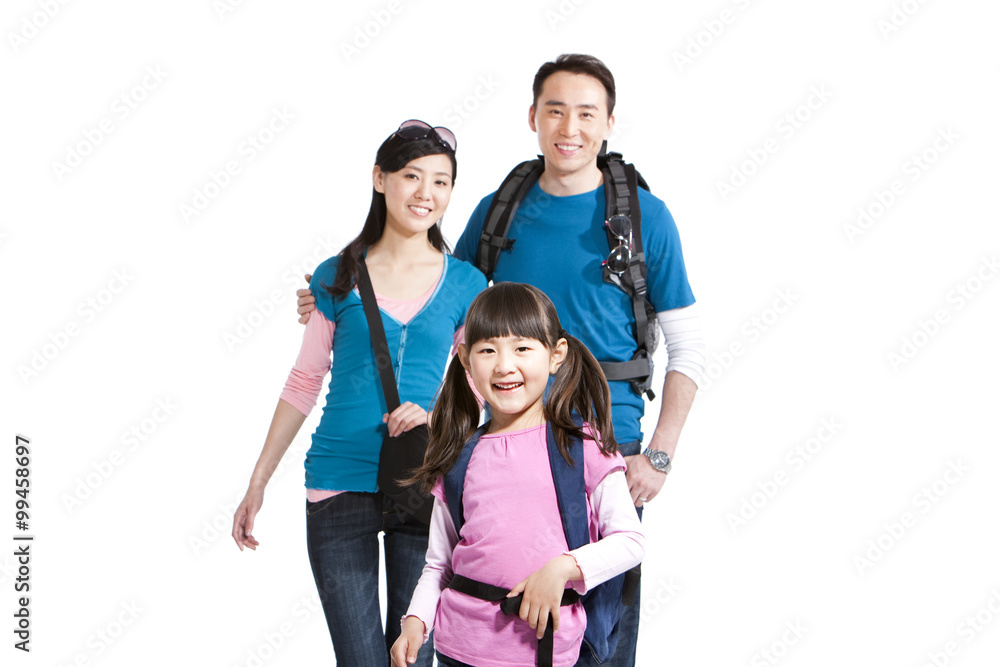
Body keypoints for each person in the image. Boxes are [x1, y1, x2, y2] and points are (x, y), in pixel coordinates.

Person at [299, 54, 705, 666]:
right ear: (533, 118)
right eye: (555, 110)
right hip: (498, 450)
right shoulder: (499, 211)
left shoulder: (646, 220)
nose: (570, 126)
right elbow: (442, 291)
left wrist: (660, 455)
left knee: (600, 642)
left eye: (586, 113)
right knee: (489, 616)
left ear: (610, 122)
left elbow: (689, 346)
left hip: (606, 451)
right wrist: (341, 291)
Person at [232, 120, 487, 666]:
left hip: (423, 485)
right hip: (337, 485)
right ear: (380, 178)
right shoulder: (336, 275)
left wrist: (437, 414)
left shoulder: (467, 283)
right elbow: (303, 381)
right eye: (411, 176)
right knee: (361, 661)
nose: (426, 193)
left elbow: (480, 389)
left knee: (413, 659)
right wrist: (258, 483)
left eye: (441, 182)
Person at [389, 282, 645, 667]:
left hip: (547, 653)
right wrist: (415, 622)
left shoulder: (581, 445)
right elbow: (439, 564)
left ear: (556, 354)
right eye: (487, 350)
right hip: (459, 650)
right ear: (464, 358)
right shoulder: (460, 456)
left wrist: (562, 569)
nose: (504, 365)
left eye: (522, 348)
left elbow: (630, 541)